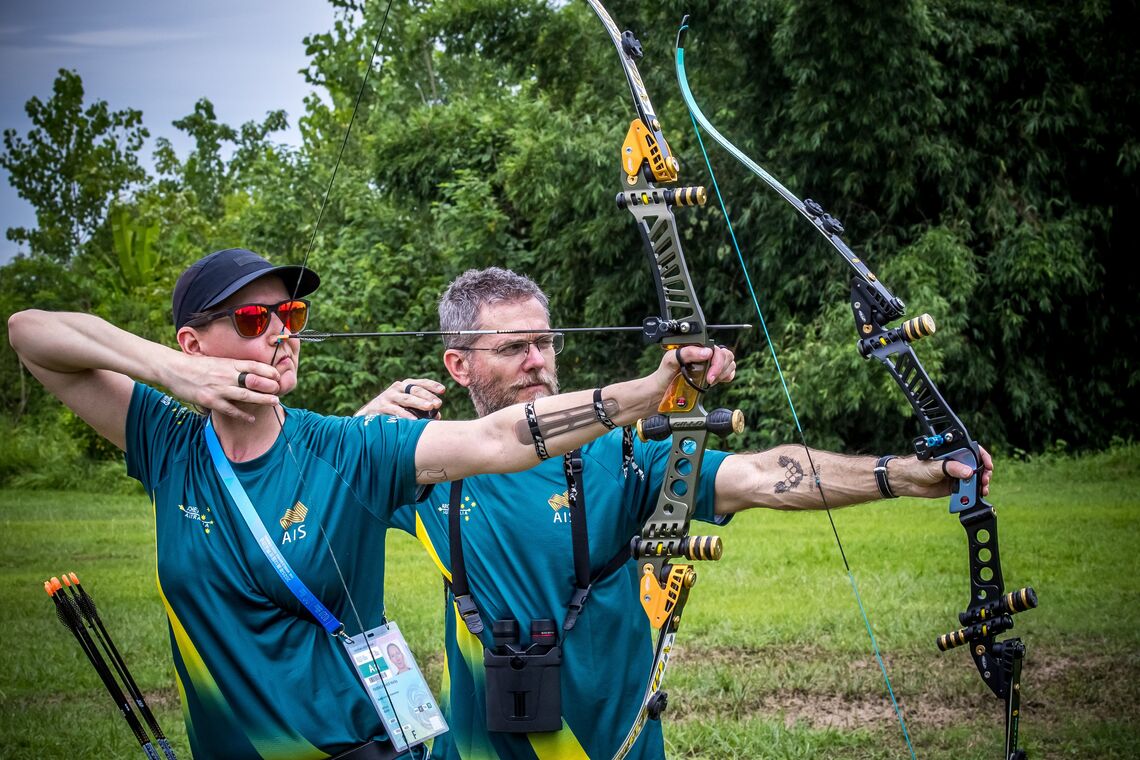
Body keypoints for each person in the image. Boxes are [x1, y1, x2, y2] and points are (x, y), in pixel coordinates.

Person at [5, 248, 735, 760]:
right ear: (194, 342)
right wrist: (174, 375)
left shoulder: (350, 446)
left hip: (360, 744)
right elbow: (30, 333)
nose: (283, 333)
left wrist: (649, 392)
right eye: (255, 321)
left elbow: (499, 437)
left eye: (290, 314)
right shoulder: (168, 444)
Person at [359, 267, 994, 760]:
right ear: (459, 364)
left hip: (618, 746)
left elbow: (760, 476)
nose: (538, 360)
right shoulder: (423, 464)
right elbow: (309, 498)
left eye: (546, 342)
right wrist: (361, 427)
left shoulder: (618, 455)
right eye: (515, 347)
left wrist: (904, 474)